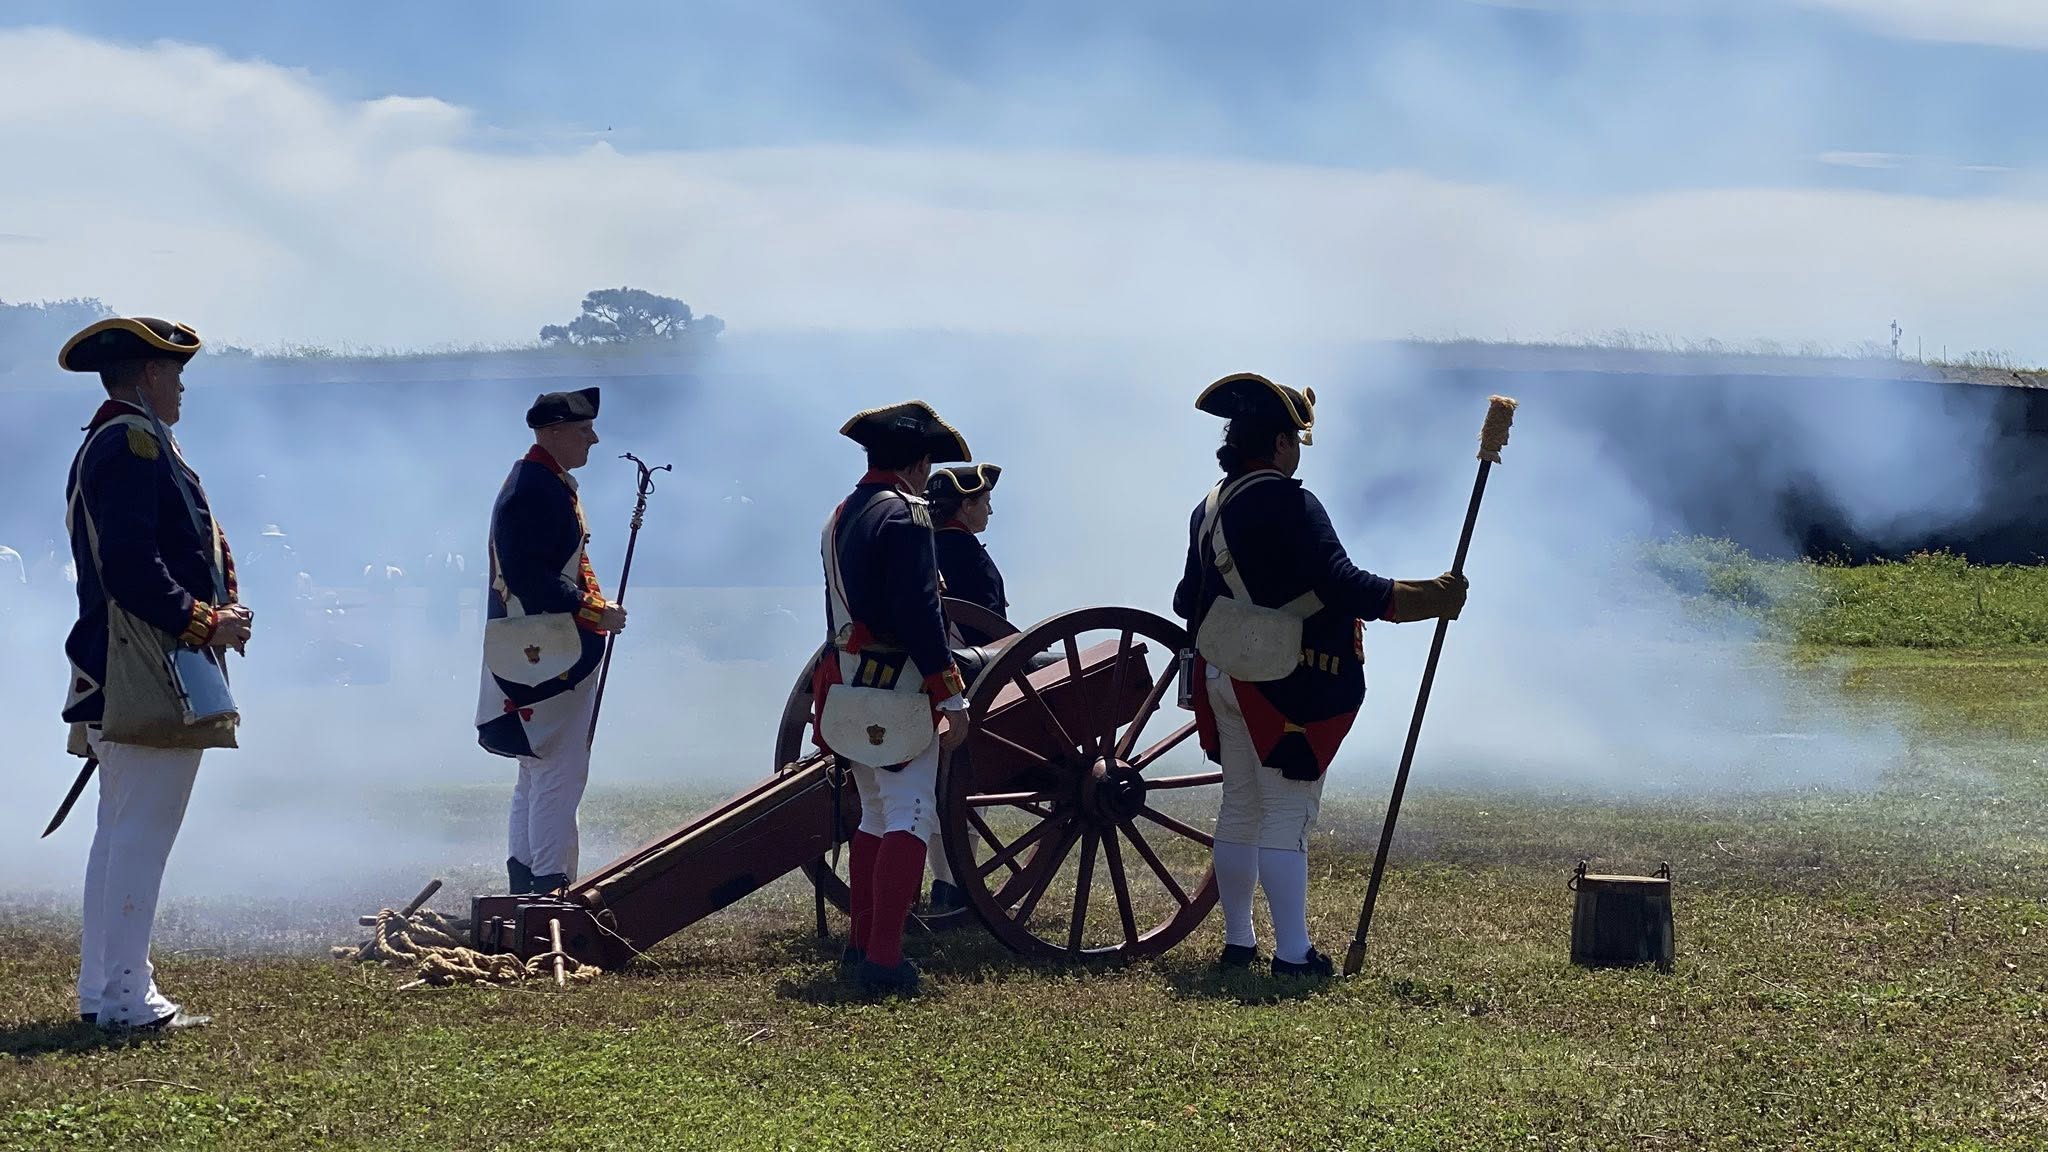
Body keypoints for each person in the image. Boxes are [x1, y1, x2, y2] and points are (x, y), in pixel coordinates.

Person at [1172, 373, 1469, 979]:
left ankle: (1238, 941)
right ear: (1280, 444)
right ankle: (1294, 953)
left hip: (1223, 674)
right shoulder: (1292, 503)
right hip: (1287, 680)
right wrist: (1429, 596)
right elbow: (1345, 584)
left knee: (1239, 807)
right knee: (1286, 812)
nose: (1299, 451)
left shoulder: (1207, 509)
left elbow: (1186, 599)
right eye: (1295, 440)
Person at [58, 316, 254, 1031]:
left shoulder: (125, 442)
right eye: (173, 374)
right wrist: (207, 621)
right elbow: (133, 567)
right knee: (138, 836)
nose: (179, 387)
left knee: (120, 834)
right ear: (146, 376)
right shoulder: (133, 444)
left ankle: (105, 992)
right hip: (146, 663)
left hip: (123, 662)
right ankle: (126, 997)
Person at [812, 400, 973, 996]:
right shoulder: (907, 516)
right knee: (909, 812)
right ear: (919, 463)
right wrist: (950, 694)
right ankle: (885, 959)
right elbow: (920, 615)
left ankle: (863, 945)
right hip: (897, 687)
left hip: (847, 683)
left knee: (876, 813)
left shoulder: (840, 514)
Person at [474, 387, 626, 897]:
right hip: (547, 648)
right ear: (555, 432)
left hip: (536, 647)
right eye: (584, 431)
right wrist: (594, 609)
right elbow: (528, 574)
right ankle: (548, 891)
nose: (593, 439)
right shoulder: (534, 488)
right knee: (559, 772)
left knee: (537, 771)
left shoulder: (542, 481)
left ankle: (528, 885)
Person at [919, 462, 1009, 916]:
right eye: (985, 502)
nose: (990, 510)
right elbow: (989, 633)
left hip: (923, 683)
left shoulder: (922, 547)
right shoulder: (968, 555)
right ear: (966, 506)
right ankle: (955, 886)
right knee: (967, 787)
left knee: (938, 786)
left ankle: (944, 884)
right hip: (971, 680)